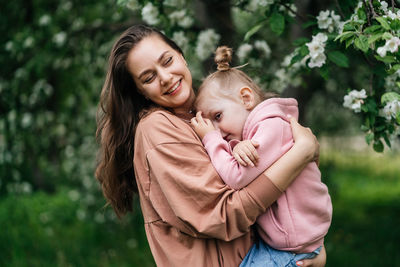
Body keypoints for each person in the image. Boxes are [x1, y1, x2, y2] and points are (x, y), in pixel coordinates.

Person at [95, 24, 326, 267]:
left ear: (181, 56)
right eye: (149, 77)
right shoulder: (158, 128)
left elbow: (286, 182)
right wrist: (302, 152)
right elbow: (225, 214)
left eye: (167, 61)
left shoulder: (210, 114)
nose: (165, 78)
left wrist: (308, 249)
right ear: (140, 91)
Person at [191, 46, 332, 266]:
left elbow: (237, 177)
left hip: (292, 249)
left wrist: (210, 139)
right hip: (286, 243)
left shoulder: (272, 127)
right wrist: (236, 147)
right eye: (212, 125)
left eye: (218, 116)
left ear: (246, 98)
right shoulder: (257, 131)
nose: (218, 131)